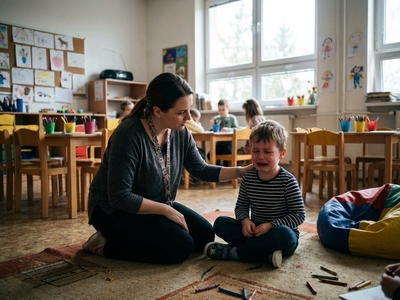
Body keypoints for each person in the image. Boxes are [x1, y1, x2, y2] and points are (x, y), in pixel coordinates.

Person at [82, 72, 254, 264]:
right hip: (113, 210)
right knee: (179, 247)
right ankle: (104, 245)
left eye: (189, 110)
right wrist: (166, 211)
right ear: (157, 111)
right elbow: (120, 197)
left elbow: (201, 169)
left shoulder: (180, 132)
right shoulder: (128, 135)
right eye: (181, 112)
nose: (188, 118)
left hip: (155, 203)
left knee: (204, 236)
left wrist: (241, 172)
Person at [204, 120, 305, 268]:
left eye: (267, 152)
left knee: (285, 235)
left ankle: (237, 253)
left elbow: (299, 215)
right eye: (255, 151)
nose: (260, 157)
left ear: (281, 153)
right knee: (220, 223)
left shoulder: (288, 181)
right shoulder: (249, 178)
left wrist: (271, 225)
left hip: (277, 233)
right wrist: (245, 221)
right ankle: (264, 254)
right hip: (254, 231)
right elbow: (241, 207)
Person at [208, 99, 239, 164]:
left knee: (227, 152)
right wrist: (214, 129)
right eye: (219, 110)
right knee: (210, 155)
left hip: (229, 143)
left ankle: (226, 169)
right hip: (218, 143)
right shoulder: (216, 118)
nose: (221, 112)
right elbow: (210, 129)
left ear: (228, 109)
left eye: (223, 109)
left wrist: (228, 129)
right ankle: (217, 169)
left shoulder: (232, 118)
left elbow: (237, 129)